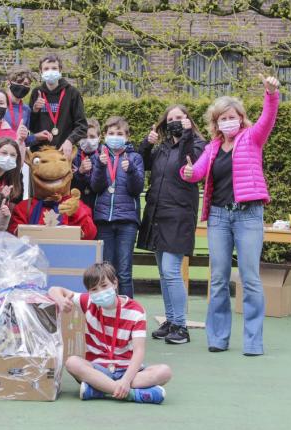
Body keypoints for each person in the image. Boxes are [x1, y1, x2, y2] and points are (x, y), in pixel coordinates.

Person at [181, 75, 280, 356]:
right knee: (219, 278)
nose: (228, 121)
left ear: (241, 118)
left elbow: (268, 118)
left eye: (232, 116)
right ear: (216, 122)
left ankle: (253, 341)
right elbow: (197, 172)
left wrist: (270, 94)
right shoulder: (212, 148)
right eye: (222, 117)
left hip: (248, 215)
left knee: (249, 278)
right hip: (219, 218)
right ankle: (218, 338)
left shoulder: (252, 137)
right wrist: (187, 173)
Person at [49, 262, 172, 403]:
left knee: (164, 371)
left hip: (127, 370)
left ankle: (99, 389)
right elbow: (54, 289)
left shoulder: (136, 311)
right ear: (89, 292)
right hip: (98, 369)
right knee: (72, 363)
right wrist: (60, 300)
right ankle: (131, 394)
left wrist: (126, 380)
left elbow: (139, 351)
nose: (100, 292)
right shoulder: (88, 302)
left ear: (115, 283)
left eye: (104, 286)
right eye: (94, 289)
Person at [137, 105, 207, 345]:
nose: (175, 121)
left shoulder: (197, 143)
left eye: (180, 117)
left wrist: (186, 135)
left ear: (188, 119)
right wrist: (147, 143)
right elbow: (142, 162)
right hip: (157, 214)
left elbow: (194, 163)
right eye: (171, 118)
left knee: (171, 271)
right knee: (164, 273)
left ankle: (180, 325)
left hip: (179, 215)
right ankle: (170, 320)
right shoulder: (162, 148)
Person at [90, 117, 144, 298]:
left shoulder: (135, 158)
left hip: (127, 222)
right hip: (104, 220)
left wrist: (131, 171)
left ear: (127, 136)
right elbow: (95, 187)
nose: (115, 137)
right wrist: (99, 166)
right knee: (106, 270)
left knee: (124, 272)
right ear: (104, 135)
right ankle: (107, 310)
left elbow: (137, 189)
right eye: (111, 133)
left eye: (119, 134)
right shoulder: (99, 157)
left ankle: (127, 311)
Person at [28, 54, 88, 158]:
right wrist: (35, 110)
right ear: (40, 71)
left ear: (60, 70)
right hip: (40, 153)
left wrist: (70, 140)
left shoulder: (72, 93)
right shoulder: (36, 93)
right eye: (46, 68)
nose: (50, 71)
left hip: (63, 152)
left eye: (54, 68)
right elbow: (30, 126)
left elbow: (82, 126)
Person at [72, 118, 101, 210]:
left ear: (99, 138)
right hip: (78, 208)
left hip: (98, 209)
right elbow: (70, 186)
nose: (88, 140)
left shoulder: (105, 157)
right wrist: (79, 172)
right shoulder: (72, 157)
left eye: (92, 137)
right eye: (84, 137)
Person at [0, 137, 24, 206]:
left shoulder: (16, 176)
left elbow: (15, 203)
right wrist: (1, 196)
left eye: (12, 155)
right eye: (4, 153)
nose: (8, 158)